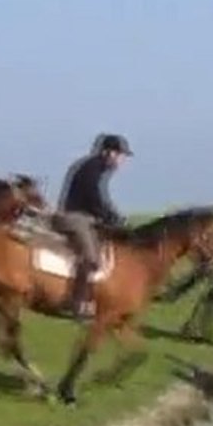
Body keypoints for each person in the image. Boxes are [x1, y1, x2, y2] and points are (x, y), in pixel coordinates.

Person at [53, 133, 133, 318]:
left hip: (87, 218)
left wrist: (115, 217)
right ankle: (78, 302)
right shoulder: (92, 169)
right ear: (109, 153)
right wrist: (112, 218)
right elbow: (95, 199)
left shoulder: (99, 169)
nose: (122, 160)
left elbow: (102, 201)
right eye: (121, 155)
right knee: (91, 257)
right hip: (74, 218)